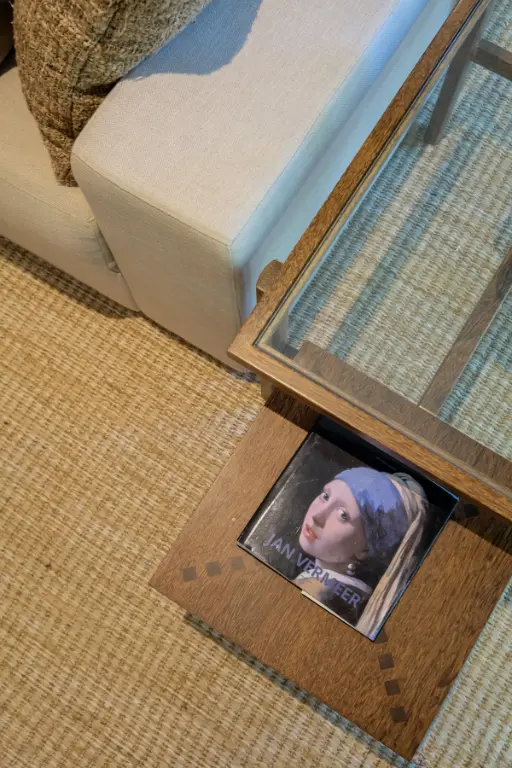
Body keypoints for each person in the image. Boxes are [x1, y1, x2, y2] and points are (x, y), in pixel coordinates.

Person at [293, 467, 428, 638]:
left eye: (343, 515)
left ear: (365, 550)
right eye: (326, 496)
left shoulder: (320, 591)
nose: (318, 516)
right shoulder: (358, 593)